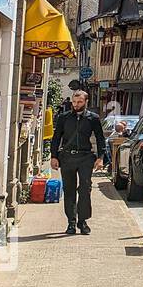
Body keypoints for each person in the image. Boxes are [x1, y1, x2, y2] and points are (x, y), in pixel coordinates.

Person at [49, 88, 106, 236]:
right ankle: (71, 222)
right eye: (74, 102)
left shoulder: (93, 118)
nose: (76, 104)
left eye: (79, 102)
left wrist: (100, 158)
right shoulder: (63, 117)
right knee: (69, 190)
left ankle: (83, 221)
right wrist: (53, 156)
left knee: (85, 188)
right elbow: (56, 138)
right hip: (67, 158)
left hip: (85, 157)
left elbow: (100, 138)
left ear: (86, 102)